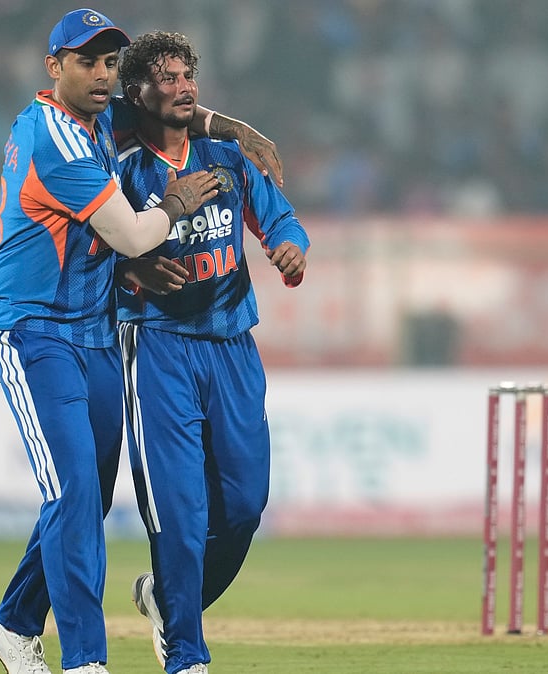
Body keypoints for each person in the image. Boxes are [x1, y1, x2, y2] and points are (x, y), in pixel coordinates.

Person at [0, 9, 280, 674]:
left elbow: (169, 112)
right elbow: (137, 234)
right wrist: (174, 206)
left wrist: (229, 127)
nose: (103, 74)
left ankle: (14, 620)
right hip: (34, 328)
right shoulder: (56, 135)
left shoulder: (96, 117)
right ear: (54, 66)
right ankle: (86, 660)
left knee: (85, 489)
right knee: (76, 494)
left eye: (111, 62)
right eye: (88, 61)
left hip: (94, 330)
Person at [112, 30, 308, 674]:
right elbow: (88, 254)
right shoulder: (120, 167)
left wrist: (288, 248)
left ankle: (169, 602)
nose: (182, 86)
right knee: (178, 510)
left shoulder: (228, 157)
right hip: (159, 348)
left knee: (246, 504)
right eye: (165, 78)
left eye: (187, 74)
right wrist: (129, 273)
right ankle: (187, 656)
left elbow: (278, 217)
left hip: (232, 347)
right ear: (136, 92)